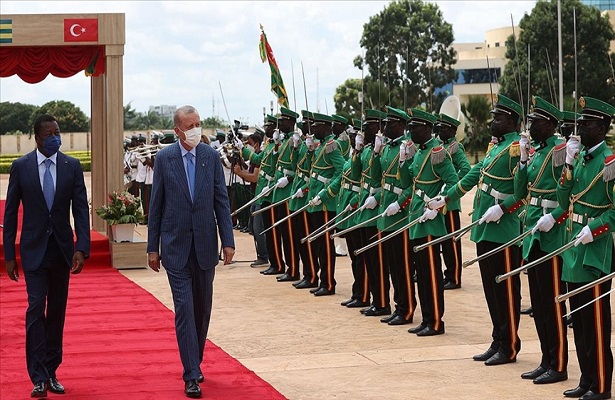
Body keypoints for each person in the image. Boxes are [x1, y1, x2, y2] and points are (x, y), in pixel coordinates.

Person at [147, 105, 235, 398]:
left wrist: (229, 240)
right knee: (184, 309)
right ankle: (191, 373)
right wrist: (152, 247)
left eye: (199, 123)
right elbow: (156, 205)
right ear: (178, 131)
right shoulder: (164, 158)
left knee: (202, 309)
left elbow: (221, 201)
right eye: (191, 125)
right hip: (175, 247)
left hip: (206, 246)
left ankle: (194, 360)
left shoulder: (210, 157)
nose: (197, 129)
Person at [429, 94, 524, 364]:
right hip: (485, 228)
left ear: (512, 121)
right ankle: (498, 340)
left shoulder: (517, 148)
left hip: (503, 230)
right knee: (492, 292)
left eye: (498, 117)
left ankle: (509, 346)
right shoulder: (496, 147)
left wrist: (504, 209)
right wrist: (447, 198)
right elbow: (475, 173)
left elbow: (524, 191)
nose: (492, 121)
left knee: (505, 292)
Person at [3, 114, 90, 398]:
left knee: (56, 313)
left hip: (62, 251)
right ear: (38, 137)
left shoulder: (72, 166)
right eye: (49, 133)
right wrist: (9, 254)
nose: (55, 137)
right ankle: (37, 376)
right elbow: (11, 212)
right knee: (35, 309)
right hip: (33, 251)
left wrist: (82, 247)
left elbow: (80, 210)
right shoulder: (21, 167)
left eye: (58, 132)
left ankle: (52, 370)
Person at [556, 96, 614, 400]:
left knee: (596, 324)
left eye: (587, 122)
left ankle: (601, 384)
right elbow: (564, 200)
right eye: (581, 121)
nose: (580, 126)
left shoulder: (610, 163)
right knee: (578, 322)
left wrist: (596, 227)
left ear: (602, 127)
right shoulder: (578, 160)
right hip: (573, 249)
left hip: (595, 252)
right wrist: (567, 163)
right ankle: (586, 378)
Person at [514, 96, 568, 384]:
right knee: (539, 303)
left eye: (535, 121)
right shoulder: (536, 152)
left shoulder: (560, 152)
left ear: (549, 124)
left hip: (552, 235)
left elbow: (570, 196)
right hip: (533, 235)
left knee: (552, 302)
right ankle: (546, 358)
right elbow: (521, 191)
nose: (531, 125)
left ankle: (558, 363)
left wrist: (555, 217)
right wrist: (523, 161)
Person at [399, 108, 458, 336]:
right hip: (417, 218)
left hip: (431, 222)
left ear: (426, 128)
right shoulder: (420, 152)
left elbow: (452, 181)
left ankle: (435, 321)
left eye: (414, 127)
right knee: (421, 274)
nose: (410, 130)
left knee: (431, 274)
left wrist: (438, 204)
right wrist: (403, 161)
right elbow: (408, 183)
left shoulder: (437, 152)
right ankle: (426, 318)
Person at [372, 106, 417, 326]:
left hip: (400, 214)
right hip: (385, 213)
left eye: (390, 123)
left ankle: (406, 308)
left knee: (403, 265)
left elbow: (412, 185)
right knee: (392, 265)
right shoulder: (388, 147)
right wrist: (375, 153)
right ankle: (398, 305)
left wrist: (400, 204)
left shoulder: (409, 147)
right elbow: (375, 178)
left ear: (400, 125)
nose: (385, 126)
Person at [435, 113, 471, 290]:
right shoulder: (440, 147)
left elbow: (465, 169)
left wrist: (451, 189)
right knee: (442, 240)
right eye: (439, 127)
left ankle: (454, 277)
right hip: (438, 202)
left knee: (451, 241)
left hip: (450, 202)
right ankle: (447, 274)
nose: (440, 130)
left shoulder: (456, 148)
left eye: (443, 127)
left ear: (451, 130)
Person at [234, 133, 269, 267]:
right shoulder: (256, 156)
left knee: (258, 227)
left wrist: (240, 173)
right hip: (256, 194)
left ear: (256, 144)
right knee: (252, 227)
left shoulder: (261, 154)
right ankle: (263, 254)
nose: (248, 145)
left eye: (249, 143)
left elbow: (255, 177)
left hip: (261, 196)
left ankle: (264, 256)